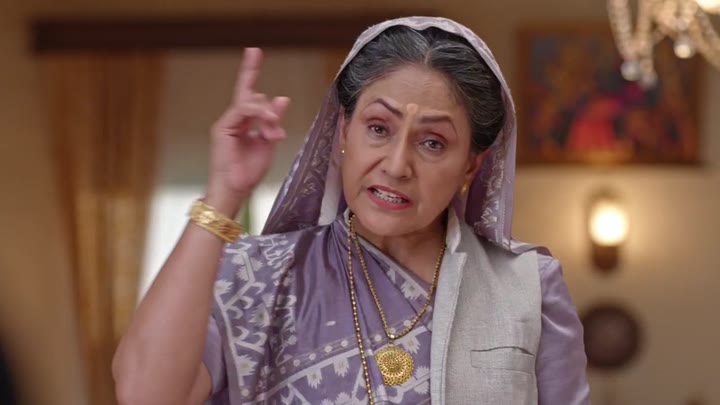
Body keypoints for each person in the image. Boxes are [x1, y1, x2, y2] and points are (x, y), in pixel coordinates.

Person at [113, 17, 590, 405]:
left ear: (471, 163)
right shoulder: (258, 279)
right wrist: (223, 193)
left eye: (432, 142)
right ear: (343, 131)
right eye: (378, 128)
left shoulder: (525, 287)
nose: (397, 165)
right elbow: (144, 394)